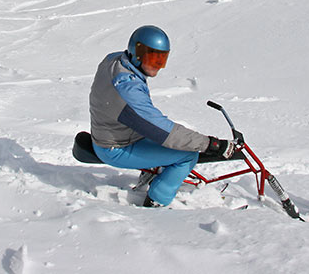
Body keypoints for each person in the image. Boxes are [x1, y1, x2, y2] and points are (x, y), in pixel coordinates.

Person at [89, 25, 237, 207]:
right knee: (188, 156)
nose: (157, 66)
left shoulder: (115, 61)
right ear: (136, 54)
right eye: (152, 59)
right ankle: (157, 200)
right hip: (115, 148)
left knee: (173, 139)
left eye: (161, 60)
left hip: (117, 132)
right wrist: (209, 144)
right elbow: (163, 132)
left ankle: (154, 171)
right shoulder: (128, 90)